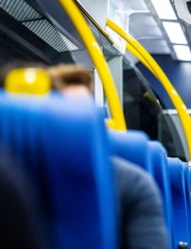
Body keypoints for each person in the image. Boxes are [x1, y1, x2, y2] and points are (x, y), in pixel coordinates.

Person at [48, 63, 169, 249]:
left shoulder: (132, 184)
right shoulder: (16, 179)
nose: (76, 124)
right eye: (66, 114)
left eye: (84, 114)